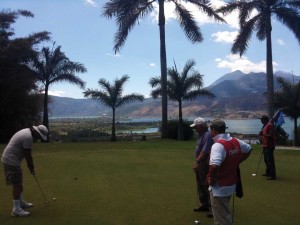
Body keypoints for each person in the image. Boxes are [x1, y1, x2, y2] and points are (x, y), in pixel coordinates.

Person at [207, 119, 251, 225]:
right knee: (225, 213)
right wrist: (237, 162)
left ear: (213, 130)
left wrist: (212, 180)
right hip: (231, 184)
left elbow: (214, 166)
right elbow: (248, 149)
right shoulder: (234, 140)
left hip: (220, 187)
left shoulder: (218, 145)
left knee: (222, 219)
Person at [1, 125, 49, 217]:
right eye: (39, 136)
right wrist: (31, 168)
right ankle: (16, 209)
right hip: (10, 160)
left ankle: (21, 203)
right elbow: (28, 155)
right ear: (36, 132)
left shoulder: (27, 132)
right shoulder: (28, 137)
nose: (38, 138)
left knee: (19, 182)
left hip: (12, 160)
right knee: (17, 184)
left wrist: (31, 167)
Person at [190, 117, 214, 217]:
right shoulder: (201, 135)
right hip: (200, 163)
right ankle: (204, 204)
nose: (194, 129)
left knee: (206, 184)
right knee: (200, 184)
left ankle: (213, 208)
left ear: (201, 126)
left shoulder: (207, 135)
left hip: (204, 163)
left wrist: (197, 161)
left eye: (196, 127)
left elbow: (205, 151)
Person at [259, 114, 276, 180]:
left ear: (265, 119)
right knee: (266, 160)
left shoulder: (270, 125)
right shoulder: (265, 126)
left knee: (270, 161)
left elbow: (271, 135)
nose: (261, 121)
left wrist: (263, 134)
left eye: (261, 119)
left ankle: (273, 175)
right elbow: (264, 135)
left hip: (269, 145)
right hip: (265, 145)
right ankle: (268, 172)